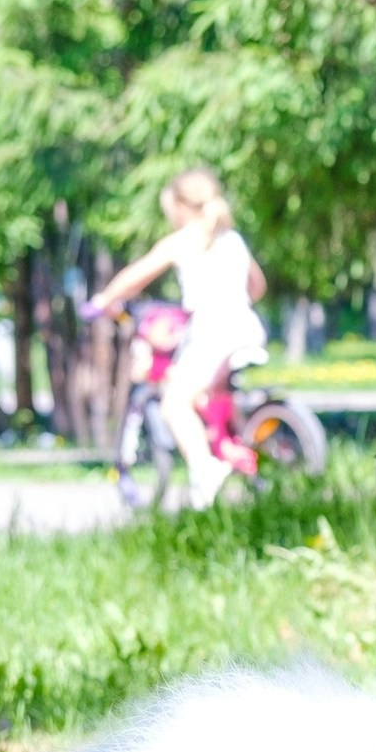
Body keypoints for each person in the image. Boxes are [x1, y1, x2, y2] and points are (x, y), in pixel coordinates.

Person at [90, 167, 268, 510]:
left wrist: (105, 299)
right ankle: (233, 447)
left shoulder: (185, 239)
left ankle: (206, 472)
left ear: (182, 207)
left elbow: (135, 277)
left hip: (212, 331)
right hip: (246, 327)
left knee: (174, 403)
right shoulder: (232, 239)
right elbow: (257, 287)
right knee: (208, 395)